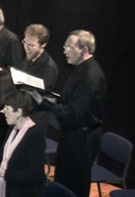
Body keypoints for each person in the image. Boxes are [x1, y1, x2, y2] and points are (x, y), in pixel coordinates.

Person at [32, 29, 105, 197]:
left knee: (74, 186)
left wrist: (43, 102)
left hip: (81, 139)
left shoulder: (90, 77)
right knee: (62, 181)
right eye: (65, 46)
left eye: (69, 47)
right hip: (71, 135)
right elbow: (67, 100)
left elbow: (72, 112)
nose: (64, 51)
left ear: (84, 50)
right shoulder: (79, 69)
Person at [0, 23, 59, 134]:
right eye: (25, 43)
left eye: (31, 45)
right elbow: (19, 75)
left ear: (43, 45)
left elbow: (38, 97)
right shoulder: (28, 59)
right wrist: (2, 72)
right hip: (19, 113)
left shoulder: (48, 68)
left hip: (33, 118)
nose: (27, 48)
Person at [0, 90, 46, 197]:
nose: (3, 111)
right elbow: (0, 159)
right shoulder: (12, 129)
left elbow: (35, 176)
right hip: (8, 189)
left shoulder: (34, 136)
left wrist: (3, 173)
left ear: (19, 112)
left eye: (7, 108)